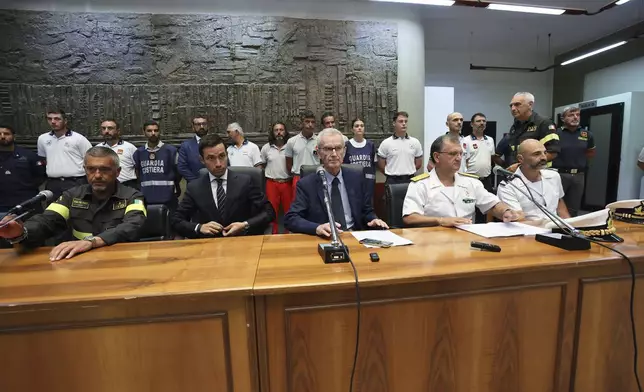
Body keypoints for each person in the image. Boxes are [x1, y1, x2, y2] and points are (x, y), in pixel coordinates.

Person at [0, 147, 147, 261]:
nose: (97, 175)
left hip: (122, 259)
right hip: (80, 261)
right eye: (91, 169)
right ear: (85, 170)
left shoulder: (132, 196)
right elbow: (47, 220)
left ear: (117, 172)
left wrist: (92, 242)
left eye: (105, 169)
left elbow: (133, 225)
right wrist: (21, 232)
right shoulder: (72, 195)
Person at [285, 128, 388, 237]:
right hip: (324, 237)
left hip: (354, 235)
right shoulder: (306, 184)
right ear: (318, 152)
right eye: (328, 149)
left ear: (344, 151)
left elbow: (367, 211)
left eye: (338, 148)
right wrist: (317, 228)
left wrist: (374, 220)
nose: (334, 154)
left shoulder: (357, 177)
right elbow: (291, 218)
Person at [402, 134, 523, 227]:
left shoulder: (471, 182)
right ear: (437, 157)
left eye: (461, 154)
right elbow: (410, 217)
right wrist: (441, 220)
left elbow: (492, 204)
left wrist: (505, 211)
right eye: (453, 154)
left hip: (467, 240)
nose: (459, 158)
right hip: (432, 241)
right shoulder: (420, 184)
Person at [171, 134, 274, 238]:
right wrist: (199, 227)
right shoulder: (195, 188)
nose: (218, 164)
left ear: (227, 155)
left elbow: (269, 212)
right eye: (211, 158)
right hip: (208, 245)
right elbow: (176, 220)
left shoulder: (245, 182)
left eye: (222, 156)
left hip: (241, 241)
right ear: (202, 160)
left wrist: (244, 225)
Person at [497, 139, 570, 223]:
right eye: (536, 154)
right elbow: (519, 222)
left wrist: (571, 228)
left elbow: (560, 207)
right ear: (520, 159)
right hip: (527, 232)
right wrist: (548, 227)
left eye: (545, 153)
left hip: (556, 230)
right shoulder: (508, 186)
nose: (543, 157)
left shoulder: (554, 176)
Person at [37, 109, 92, 200]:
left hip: (75, 182)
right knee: (53, 211)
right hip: (53, 183)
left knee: (77, 211)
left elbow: (90, 160)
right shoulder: (42, 139)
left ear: (65, 121)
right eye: (50, 119)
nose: (53, 122)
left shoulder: (78, 139)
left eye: (57, 119)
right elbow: (43, 159)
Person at [551, 106, 595, 217]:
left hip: (578, 176)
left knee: (573, 208)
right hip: (559, 174)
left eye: (577, 115)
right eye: (571, 115)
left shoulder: (587, 135)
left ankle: (570, 231)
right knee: (554, 205)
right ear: (563, 118)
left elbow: (590, 153)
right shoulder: (556, 133)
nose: (575, 117)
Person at [498, 92, 560, 170]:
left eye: (517, 104)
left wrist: (520, 166)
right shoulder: (515, 126)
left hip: (538, 174)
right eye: (511, 106)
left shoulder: (544, 123)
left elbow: (552, 152)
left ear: (530, 105)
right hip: (519, 173)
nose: (513, 109)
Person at [133, 120, 181, 211]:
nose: (153, 133)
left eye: (156, 130)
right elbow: (137, 173)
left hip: (168, 196)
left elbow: (178, 172)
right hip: (146, 196)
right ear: (144, 132)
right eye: (149, 131)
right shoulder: (139, 152)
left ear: (159, 132)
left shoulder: (171, 150)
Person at [0, 124, 46, 214]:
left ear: (14, 137)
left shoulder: (29, 156)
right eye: (0, 134)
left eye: (6, 134)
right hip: (2, 205)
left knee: (33, 227)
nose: (2, 136)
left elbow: (40, 176)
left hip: (27, 203)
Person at [261, 122, 292, 234]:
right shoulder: (266, 148)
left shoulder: (290, 146)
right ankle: (273, 234)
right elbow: (262, 165)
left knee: (289, 210)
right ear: (273, 133)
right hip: (271, 183)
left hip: (287, 183)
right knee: (271, 211)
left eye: (281, 130)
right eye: (276, 130)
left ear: (285, 132)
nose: (279, 132)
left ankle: (288, 234)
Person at [377, 111, 423, 184]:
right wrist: (391, 174)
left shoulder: (415, 142)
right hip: (392, 180)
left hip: (410, 179)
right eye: (401, 121)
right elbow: (381, 165)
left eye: (406, 121)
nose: (404, 124)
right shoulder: (386, 143)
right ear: (394, 123)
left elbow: (418, 164)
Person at [96, 119, 138, 189]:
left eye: (110, 128)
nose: (106, 131)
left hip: (127, 185)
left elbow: (138, 168)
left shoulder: (129, 147)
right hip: (106, 186)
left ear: (118, 131)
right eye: (103, 128)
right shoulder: (98, 148)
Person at [285, 110, 319, 197]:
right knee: (298, 204)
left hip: (315, 176)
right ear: (302, 123)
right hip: (298, 177)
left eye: (313, 122)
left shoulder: (320, 141)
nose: (310, 124)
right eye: (307, 122)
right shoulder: (292, 141)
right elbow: (289, 163)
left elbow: (323, 161)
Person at [344, 118, 377, 198]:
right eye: (357, 126)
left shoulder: (370, 145)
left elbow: (374, 164)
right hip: (352, 183)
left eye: (362, 126)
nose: (359, 128)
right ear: (352, 129)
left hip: (368, 184)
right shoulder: (347, 145)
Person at [463, 113, 495, 192]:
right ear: (472, 124)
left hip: (487, 180)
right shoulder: (465, 140)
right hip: (471, 179)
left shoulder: (490, 140)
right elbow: (464, 161)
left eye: (484, 121)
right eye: (478, 121)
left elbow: (491, 158)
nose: (481, 123)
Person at [178, 116, 209, 183]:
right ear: (193, 127)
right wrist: (196, 182)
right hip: (194, 186)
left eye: (204, 124)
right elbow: (182, 167)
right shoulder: (186, 146)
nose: (201, 127)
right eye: (198, 124)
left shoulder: (217, 142)